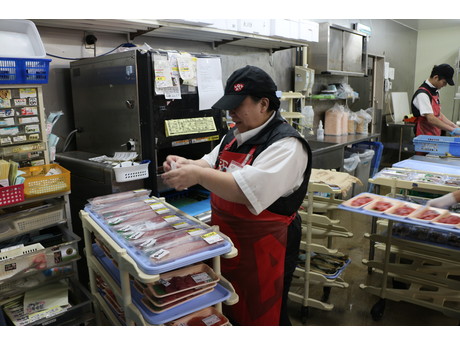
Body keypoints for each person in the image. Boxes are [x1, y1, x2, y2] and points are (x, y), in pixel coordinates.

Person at [162, 65, 312, 326]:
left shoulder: (287, 145)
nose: (231, 113)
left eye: (237, 105)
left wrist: (196, 176)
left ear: (263, 104)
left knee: (265, 311)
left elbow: (245, 190)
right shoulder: (233, 136)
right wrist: (185, 163)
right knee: (230, 304)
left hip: (268, 249)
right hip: (229, 241)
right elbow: (209, 164)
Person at [411, 63, 460, 139]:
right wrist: (452, 130)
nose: (445, 85)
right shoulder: (422, 94)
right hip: (424, 137)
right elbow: (431, 119)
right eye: (444, 82)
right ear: (436, 77)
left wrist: (453, 125)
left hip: (435, 135)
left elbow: (438, 114)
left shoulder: (435, 91)